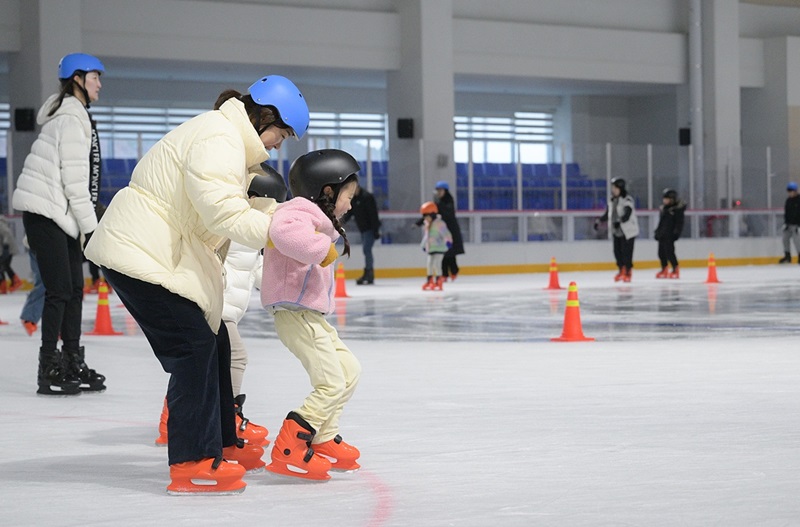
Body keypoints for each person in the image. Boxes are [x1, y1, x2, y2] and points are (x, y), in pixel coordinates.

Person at [85, 75, 310, 495]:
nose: (280, 143)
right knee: (192, 349)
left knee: (216, 341)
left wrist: (280, 215)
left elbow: (230, 203)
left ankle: (223, 442)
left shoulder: (229, 143)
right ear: (264, 116)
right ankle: (192, 461)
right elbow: (221, 214)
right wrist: (283, 234)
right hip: (139, 253)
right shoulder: (218, 137)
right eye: (281, 132)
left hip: (159, 252)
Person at [152, 164, 287, 449]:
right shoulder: (227, 231)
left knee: (201, 367)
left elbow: (258, 269)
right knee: (235, 357)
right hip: (216, 308)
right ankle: (231, 413)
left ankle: (172, 417)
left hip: (225, 311)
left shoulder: (252, 240)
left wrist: (284, 289)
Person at [262, 149, 362, 482]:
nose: (350, 205)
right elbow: (283, 233)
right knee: (330, 382)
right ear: (327, 191)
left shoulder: (319, 218)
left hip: (309, 315)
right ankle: (290, 445)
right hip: (293, 312)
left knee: (349, 371)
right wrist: (323, 249)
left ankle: (322, 437)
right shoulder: (298, 210)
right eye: (348, 197)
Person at [11, 53, 106, 396]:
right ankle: (48, 367)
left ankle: (71, 359)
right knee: (59, 291)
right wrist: (91, 228)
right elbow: (74, 182)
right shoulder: (70, 121)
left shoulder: (75, 116)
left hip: (59, 214)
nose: (99, 84)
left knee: (75, 290)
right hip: (44, 212)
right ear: (78, 79)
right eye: (95, 77)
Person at [594, 178, 639, 282]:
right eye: (612, 188)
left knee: (626, 252)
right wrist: (599, 221)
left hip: (628, 231)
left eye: (615, 188)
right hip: (616, 230)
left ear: (620, 188)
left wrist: (620, 221)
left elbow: (627, 214)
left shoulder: (627, 200)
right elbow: (608, 214)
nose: (613, 190)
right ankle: (621, 270)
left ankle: (628, 271)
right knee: (617, 252)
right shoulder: (612, 200)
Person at [342, 185, 381, 285]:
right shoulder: (354, 199)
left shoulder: (367, 197)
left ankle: (369, 273)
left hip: (370, 229)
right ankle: (368, 273)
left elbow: (373, 214)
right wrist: (341, 221)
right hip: (363, 229)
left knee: (366, 250)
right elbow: (350, 212)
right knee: (366, 250)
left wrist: (376, 230)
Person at [433, 181, 464, 280]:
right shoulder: (437, 202)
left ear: (445, 191)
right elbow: (431, 214)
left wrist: (438, 204)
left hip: (451, 230)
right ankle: (444, 274)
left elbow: (448, 213)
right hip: (441, 230)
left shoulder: (449, 201)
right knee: (442, 253)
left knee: (450, 253)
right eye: (438, 190)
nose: (439, 192)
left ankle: (454, 271)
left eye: (441, 190)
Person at [419, 201, 453, 291]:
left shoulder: (439, 223)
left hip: (440, 248)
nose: (426, 219)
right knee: (429, 264)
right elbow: (426, 236)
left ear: (433, 214)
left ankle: (439, 281)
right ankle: (429, 280)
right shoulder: (427, 225)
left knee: (436, 264)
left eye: (427, 216)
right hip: (431, 248)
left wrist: (448, 241)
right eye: (425, 217)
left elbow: (446, 233)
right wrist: (423, 245)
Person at [654, 188, 686, 279]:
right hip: (662, 234)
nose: (664, 201)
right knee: (661, 253)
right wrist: (657, 231)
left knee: (670, 252)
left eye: (667, 199)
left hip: (670, 234)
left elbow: (679, 223)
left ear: (672, 199)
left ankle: (675, 268)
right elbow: (661, 222)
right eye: (664, 199)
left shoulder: (677, 210)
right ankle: (664, 268)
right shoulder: (664, 209)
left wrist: (676, 232)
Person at [20, 238, 45, 336]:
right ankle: (29, 316)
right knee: (43, 283)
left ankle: (61, 325)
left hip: (59, 243)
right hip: (40, 242)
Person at [779, 182, 800, 264]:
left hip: (797, 225)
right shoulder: (788, 200)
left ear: (795, 191)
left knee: (797, 241)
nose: (790, 193)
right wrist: (785, 223)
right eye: (789, 191)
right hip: (788, 224)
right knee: (785, 239)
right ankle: (787, 256)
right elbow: (787, 212)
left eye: (791, 191)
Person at [0, 216, 22, 293]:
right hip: (4, 250)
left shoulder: (0, 223)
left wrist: (6, 245)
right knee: (3, 267)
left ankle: (15, 281)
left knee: (4, 266)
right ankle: (3, 287)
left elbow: (7, 233)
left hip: (8, 249)